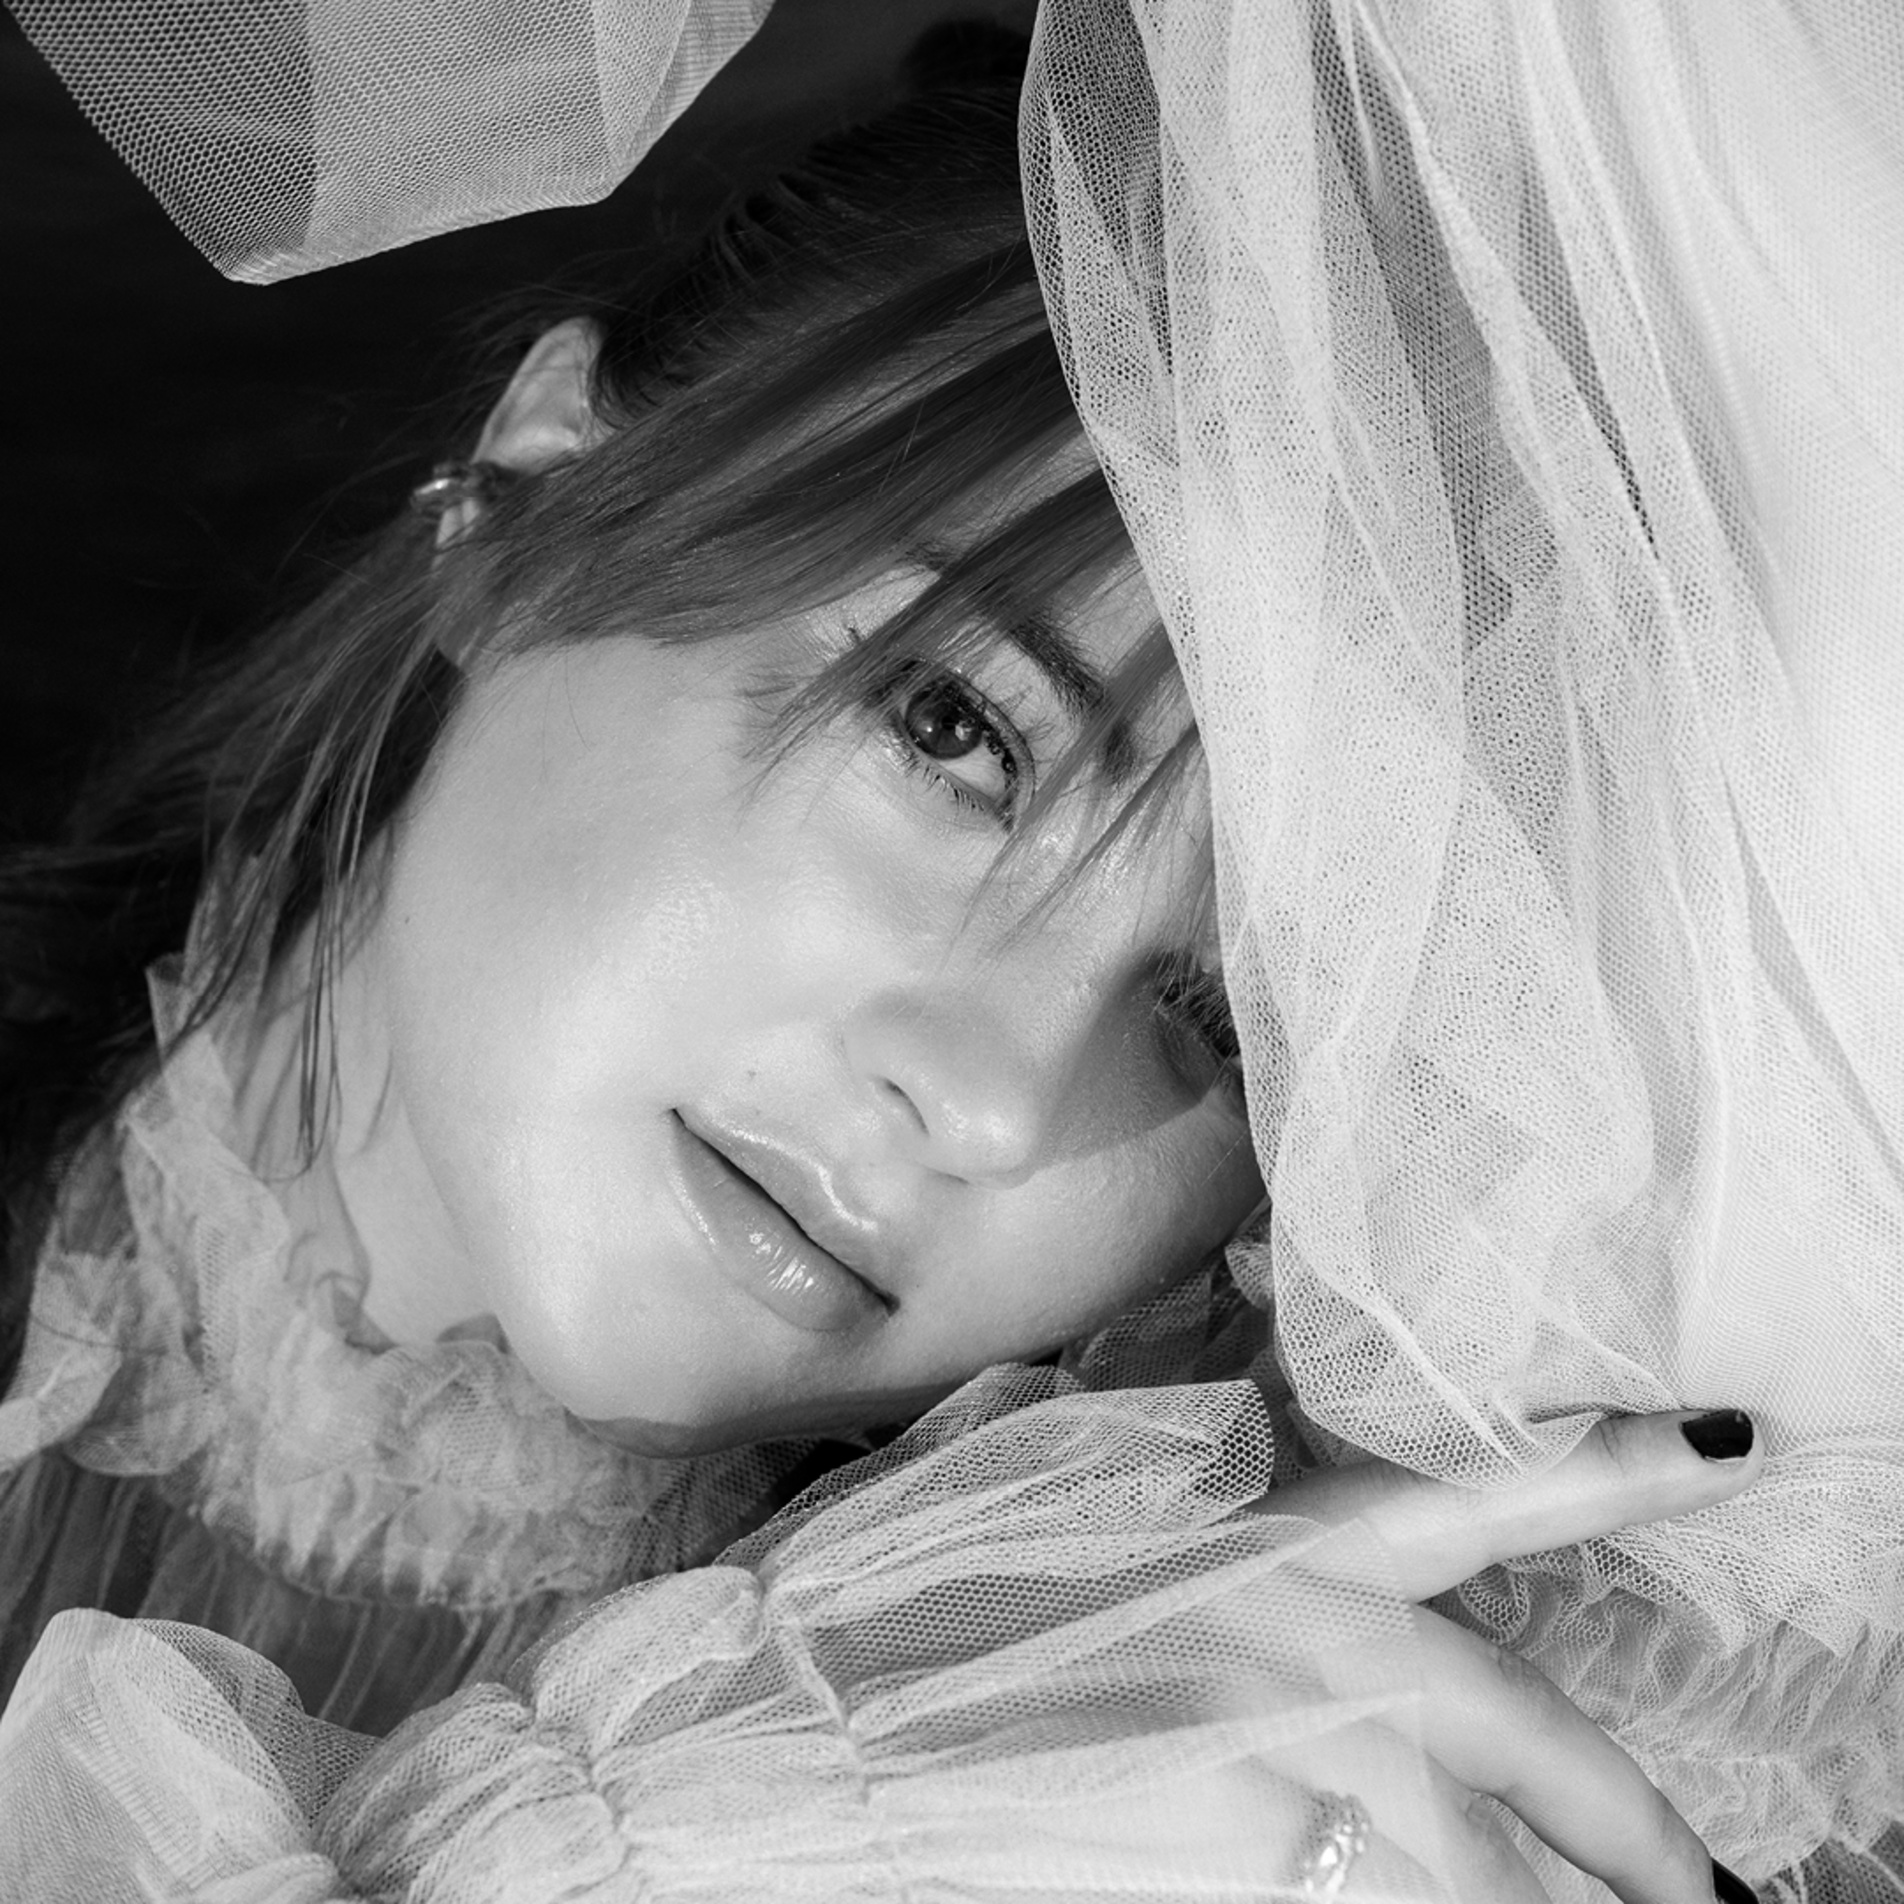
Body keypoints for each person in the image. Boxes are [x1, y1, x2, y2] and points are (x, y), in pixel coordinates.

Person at [5, 0, 1904, 1896]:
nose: (998, 1103)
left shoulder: (1172, 1747)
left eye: (1236, 1024)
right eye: (957, 731)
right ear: (538, 482)